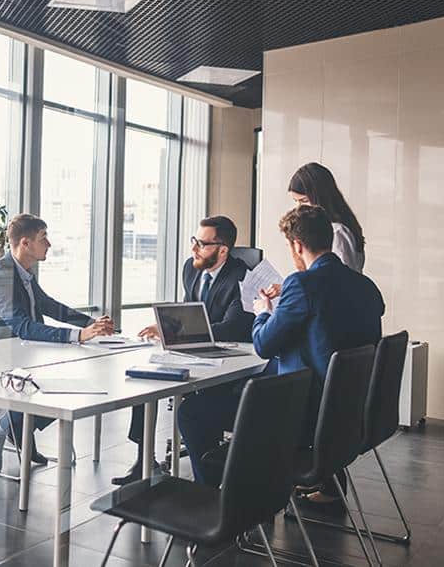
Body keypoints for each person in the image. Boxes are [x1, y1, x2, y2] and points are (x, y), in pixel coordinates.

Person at [251, 204, 384, 508]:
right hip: (352, 409)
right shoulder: (365, 285)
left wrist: (262, 313)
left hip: (309, 412)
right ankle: (328, 484)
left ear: (297, 245)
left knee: (220, 406)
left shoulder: (301, 284)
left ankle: (244, 503)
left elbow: (263, 345)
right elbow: (331, 330)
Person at [112, 216, 254, 486]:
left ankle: (210, 478)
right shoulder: (191, 268)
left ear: (223, 249)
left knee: (195, 409)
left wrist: (178, 333)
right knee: (146, 380)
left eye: (202, 244)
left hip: (228, 358)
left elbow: (233, 327)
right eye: (194, 241)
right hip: (191, 350)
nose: (194, 249)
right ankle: (144, 461)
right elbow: (191, 311)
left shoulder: (242, 277)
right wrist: (167, 326)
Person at [0, 213, 114, 472]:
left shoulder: (23, 272)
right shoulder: (1, 277)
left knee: (67, 384)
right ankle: (0, 426)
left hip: (24, 353)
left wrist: (89, 323)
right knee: (56, 388)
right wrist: (78, 336)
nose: (49, 244)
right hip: (0, 357)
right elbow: (23, 327)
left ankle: (15, 427)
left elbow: (48, 305)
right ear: (25, 243)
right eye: (44, 238)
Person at [287, 162, 366, 273]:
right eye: (296, 202)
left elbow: (341, 282)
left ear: (321, 197)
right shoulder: (323, 229)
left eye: (304, 201)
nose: (299, 208)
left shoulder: (338, 232)